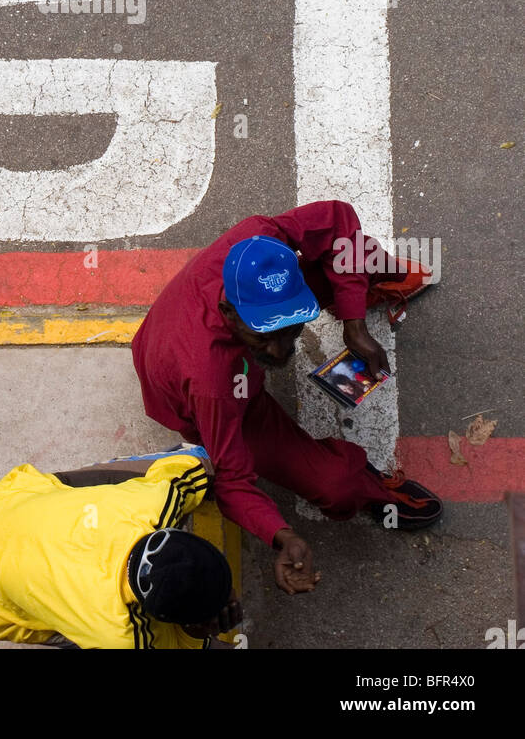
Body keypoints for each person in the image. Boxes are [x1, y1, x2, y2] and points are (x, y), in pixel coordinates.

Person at [131, 201, 443, 598]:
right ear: (228, 312)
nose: (280, 352)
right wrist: (281, 535)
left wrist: (354, 324)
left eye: (291, 330)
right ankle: (370, 488)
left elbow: (339, 221)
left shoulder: (258, 244)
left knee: (353, 250)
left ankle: (366, 286)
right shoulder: (212, 382)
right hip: (220, 400)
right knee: (338, 487)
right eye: (264, 335)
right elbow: (233, 481)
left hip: (212, 358)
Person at [0, 449, 240, 649]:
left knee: (199, 458)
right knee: (85, 630)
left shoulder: (155, 501)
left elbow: (192, 466)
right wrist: (195, 636)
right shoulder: (121, 635)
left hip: (3, 504)